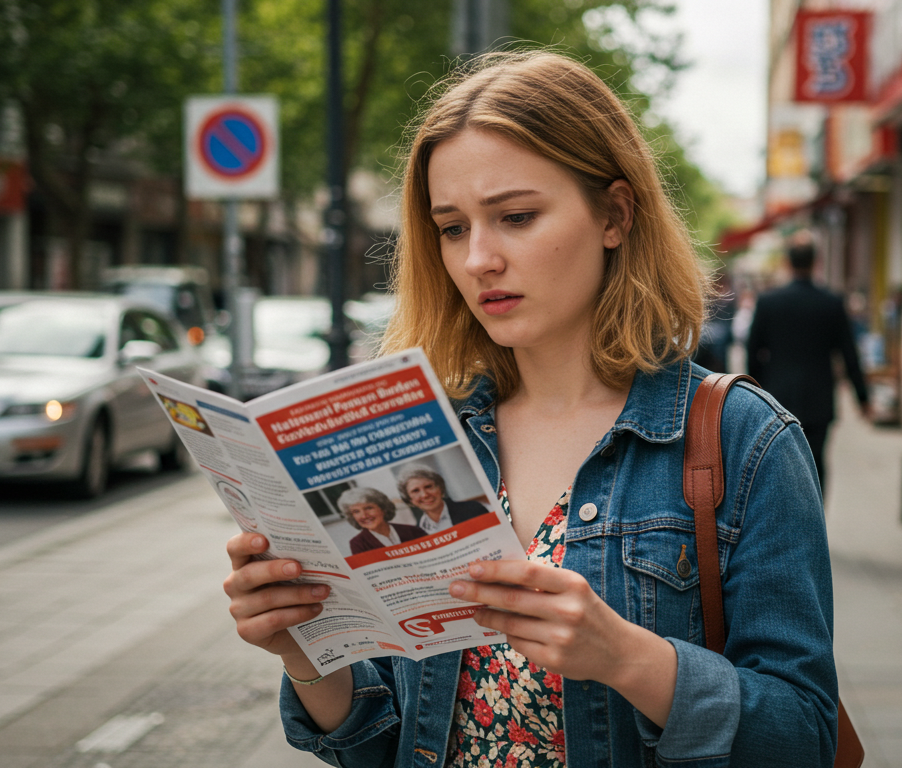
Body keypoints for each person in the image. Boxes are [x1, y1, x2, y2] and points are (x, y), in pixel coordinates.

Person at [223, 51, 837, 768]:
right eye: (452, 228)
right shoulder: (423, 434)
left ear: (615, 213)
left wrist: (628, 658)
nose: (479, 257)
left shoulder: (741, 439)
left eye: (515, 216)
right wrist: (308, 652)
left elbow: (803, 736)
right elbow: (385, 742)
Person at [744, 240, 870, 492]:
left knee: (777, 461)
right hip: (819, 398)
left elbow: (752, 351)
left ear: (788, 263)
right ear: (816, 263)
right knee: (815, 462)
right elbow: (849, 354)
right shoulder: (831, 303)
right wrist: (863, 398)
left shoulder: (769, 302)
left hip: (776, 396)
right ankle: (814, 521)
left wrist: (754, 392)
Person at [396, 466, 489, 533]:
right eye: (415, 491)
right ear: (410, 499)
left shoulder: (473, 509)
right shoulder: (416, 532)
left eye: (428, 487)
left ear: (440, 488)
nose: (425, 495)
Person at [338, 487, 427, 555]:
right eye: (356, 511)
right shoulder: (358, 543)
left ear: (383, 508)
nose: (364, 516)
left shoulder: (413, 531)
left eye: (369, 508)